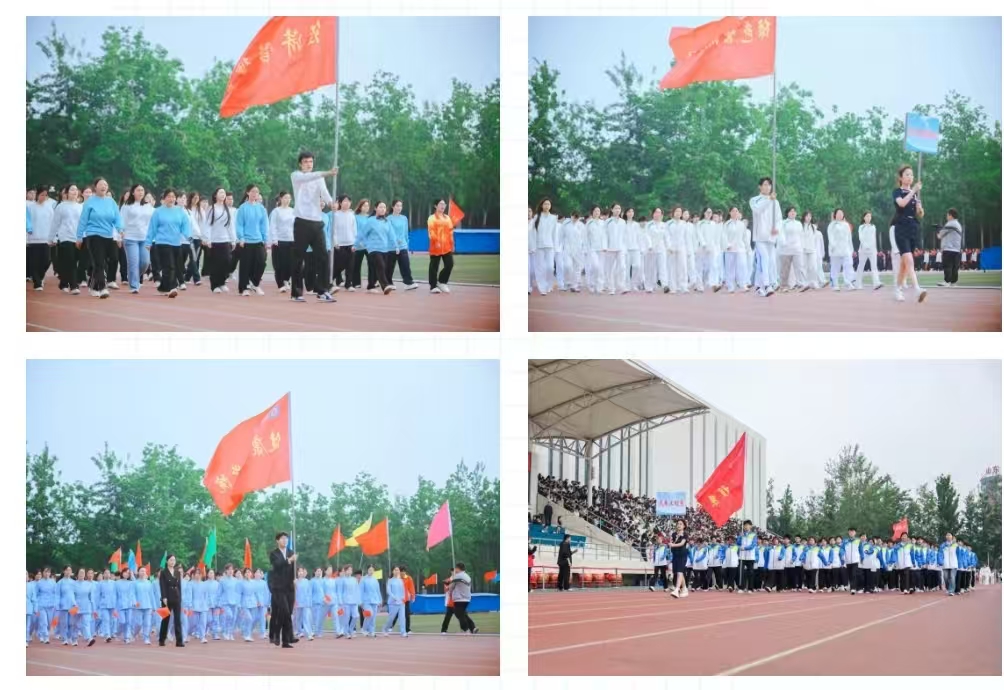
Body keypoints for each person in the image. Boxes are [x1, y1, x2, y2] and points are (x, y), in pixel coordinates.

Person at [290, 151, 338, 302]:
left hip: (317, 222)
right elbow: (309, 177)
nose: (308, 164)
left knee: (323, 256)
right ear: (300, 164)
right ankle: (296, 293)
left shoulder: (319, 178)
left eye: (311, 161)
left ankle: (322, 290)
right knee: (298, 258)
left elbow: (325, 193)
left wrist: (331, 203)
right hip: (302, 222)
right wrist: (328, 173)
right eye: (305, 162)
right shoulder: (296, 176)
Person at [144, 189, 192, 298]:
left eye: (173, 196)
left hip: (176, 243)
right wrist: (148, 241)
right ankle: (172, 287)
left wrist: (188, 237)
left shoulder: (180, 212)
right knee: (169, 265)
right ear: (164, 198)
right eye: (169, 196)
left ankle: (163, 287)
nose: (171, 199)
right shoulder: (158, 211)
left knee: (172, 266)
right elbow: (152, 228)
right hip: (162, 242)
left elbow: (185, 226)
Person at [892, 165, 928, 303]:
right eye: (907, 174)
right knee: (909, 260)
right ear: (901, 178)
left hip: (912, 228)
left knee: (904, 264)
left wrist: (920, 209)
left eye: (911, 175)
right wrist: (913, 190)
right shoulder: (897, 192)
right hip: (901, 227)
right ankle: (917, 289)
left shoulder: (915, 195)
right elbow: (901, 204)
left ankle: (897, 289)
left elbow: (920, 214)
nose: (910, 177)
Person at [749, 177, 781, 297]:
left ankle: (758, 285)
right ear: (760, 186)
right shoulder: (754, 200)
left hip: (771, 237)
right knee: (765, 259)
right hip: (760, 236)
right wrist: (769, 200)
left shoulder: (775, 202)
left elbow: (778, 219)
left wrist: (776, 229)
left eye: (769, 185)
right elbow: (758, 210)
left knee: (769, 261)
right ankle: (767, 285)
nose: (768, 187)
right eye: (765, 184)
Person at [119, 184, 154, 294]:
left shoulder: (148, 206)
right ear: (133, 192)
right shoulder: (126, 206)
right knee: (133, 263)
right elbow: (121, 220)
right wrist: (120, 234)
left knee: (145, 262)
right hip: (130, 238)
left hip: (144, 238)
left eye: (142, 190)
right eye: (138, 190)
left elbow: (153, 221)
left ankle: (133, 275)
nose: (140, 192)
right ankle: (134, 285)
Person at [236, 184, 268, 297]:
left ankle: (255, 283)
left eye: (257, 192)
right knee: (245, 265)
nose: (255, 194)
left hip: (258, 240)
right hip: (246, 241)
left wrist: (265, 239)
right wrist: (241, 238)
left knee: (262, 262)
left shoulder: (261, 208)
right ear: (248, 193)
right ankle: (244, 288)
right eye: (253, 191)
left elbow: (264, 225)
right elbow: (239, 224)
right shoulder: (242, 208)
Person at [268, 532, 297, 648]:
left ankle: (285, 641)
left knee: (288, 612)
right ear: (277, 540)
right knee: (284, 611)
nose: (285, 540)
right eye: (282, 539)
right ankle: (288, 635)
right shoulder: (273, 553)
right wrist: (289, 560)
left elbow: (293, 569)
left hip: (289, 587)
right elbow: (277, 565)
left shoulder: (291, 552)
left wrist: (294, 579)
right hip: (278, 587)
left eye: (286, 539)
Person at [428, 198, 457, 294]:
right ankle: (433, 286)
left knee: (450, 264)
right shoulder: (432, 218)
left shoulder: (447, 218)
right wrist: (436, 241)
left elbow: (450, 232)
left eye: (444, 204)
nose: (443, 206)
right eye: (441, 204)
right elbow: (431, 231)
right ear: (435, 206)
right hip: (436, 246)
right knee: (434, 266)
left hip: (446, 246)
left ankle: (442, 282)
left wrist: (452, 244)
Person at [387, 200, 417, 289]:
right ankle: (388, 283)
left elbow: (405, 232)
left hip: (403, 246)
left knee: (405, 264)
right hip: (391, 246)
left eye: (400, 206)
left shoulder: (404, 218)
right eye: (397, 205)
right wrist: (396, 241)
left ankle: (408, 282)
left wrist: (407, 244)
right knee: (390, 266)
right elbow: (389, 232)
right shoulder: (388, 219)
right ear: (393, 207)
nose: (399, 208)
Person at [778, 206, 808, 291]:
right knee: (785, 269)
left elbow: (801, 236)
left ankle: (801, 283)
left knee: (799, 267)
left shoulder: (798, 223)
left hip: (797, 249)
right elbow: (780, 234)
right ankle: (784, 286)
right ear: (787, 213)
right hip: (786, 250)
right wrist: (783, 243)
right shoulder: (783, 223)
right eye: (791, 211)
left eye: (794, 211)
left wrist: (802, 246)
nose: (793, 213)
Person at [157, 555, 183, 647]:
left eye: (174, 560)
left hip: (176, 597)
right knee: (165, 619)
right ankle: (161, 639)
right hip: (167, 598)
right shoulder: (163, 572)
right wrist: (164, 597)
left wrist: (180, 597)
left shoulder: (177, 572)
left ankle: (179, 641)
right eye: (171, 560)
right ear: (167, 561)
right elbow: (162, 585)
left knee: (177, 619)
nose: (173, 562)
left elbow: (179, 586)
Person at [827, 209, 855, 291]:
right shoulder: (832, 225)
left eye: (841, 213)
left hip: (845, 249)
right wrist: (833, 246)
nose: (840, 215)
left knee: (848, 265)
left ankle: (848, 283)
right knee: (835, 267)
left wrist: (851, 248)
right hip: (835, 250)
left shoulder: (846, 225)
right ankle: (835, 284)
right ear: (835, 215)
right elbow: (830, 237)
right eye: (838, 213)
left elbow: (849, 237)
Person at [448, 562, 478, 634]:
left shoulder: (457, 576)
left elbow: (451, 587)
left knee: (458, 614)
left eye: (455, 568)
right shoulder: (467, 576)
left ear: (458, 568)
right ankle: (473, 628)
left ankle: (465, 629)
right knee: (463, 614)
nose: (455, 570)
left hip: (459, 599)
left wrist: (450, 591)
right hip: (467, 598)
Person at [856, 211, 882, 290]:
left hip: (872, 250)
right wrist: (865, 246)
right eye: (867, 216)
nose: (868, 218)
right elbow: (861, 238)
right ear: (864, 217)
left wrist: (875, 249)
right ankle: (858, 283)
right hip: (863, 250)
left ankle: (876, 283)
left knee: (874, 266)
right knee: (861, 266)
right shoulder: (861, 227)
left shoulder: (873, 227)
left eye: (870, 216)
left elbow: (873, 238)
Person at [937, 209, 963, 286]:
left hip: (948, 248)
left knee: (947, 266)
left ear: (951, 215)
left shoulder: (950, 223)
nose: (947, 217)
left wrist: (938, 230)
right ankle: (953, 282)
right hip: (957, 249)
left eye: (947, 215)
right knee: (955, 267)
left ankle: (947, 281)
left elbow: (940, 235)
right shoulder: (958, 224)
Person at [384, 566, 408, 637]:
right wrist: (394, 597)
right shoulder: (390, 580)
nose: (397, 571)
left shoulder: (401, 580)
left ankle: (403, 632)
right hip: (393, 602)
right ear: (392, 571)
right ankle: (385, 629)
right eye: (395, 570)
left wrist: (403, 598)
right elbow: (388, 591)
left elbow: (403, 591)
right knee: (391, 618)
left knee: (402, 618)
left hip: (401, 602)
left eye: (398, 570)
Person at [668, 519, 689, 598]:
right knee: (678, 572)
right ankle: (684, 588)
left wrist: (673, 545)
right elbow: (672, 543)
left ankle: (677, 589)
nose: (679, 525)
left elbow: (682, 543)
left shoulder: (685, 534)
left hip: (682, 555)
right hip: (675, 555)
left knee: (680, 572)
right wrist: (671, 543)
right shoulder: (674, 534)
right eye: (678, 524)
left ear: (684, 526)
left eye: (681, 524)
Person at [360, 566, 382, 638]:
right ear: (367, 570)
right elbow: (361, 591)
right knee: (370, 614)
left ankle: (372, 631)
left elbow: (378, 591)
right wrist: (360, 601)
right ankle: (364, 629)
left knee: (373, 617)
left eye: (372, 570)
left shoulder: (375, 579)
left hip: (375, 600)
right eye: (370, 570)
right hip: (366, 601)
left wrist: (380, 600)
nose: (371, 571)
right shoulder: (363, 579)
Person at [738, 519, 757, 593]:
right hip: (742, 556)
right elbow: (738, 543)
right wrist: (739, 537)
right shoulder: (742, 534)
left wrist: (745, 548)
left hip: (750, 556)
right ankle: (741, 588)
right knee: (741, 572)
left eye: (747, 525)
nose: (745, 526)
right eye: (744, 525)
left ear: (750, 526)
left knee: (750, 573)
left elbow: (753, 545)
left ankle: (750, 588)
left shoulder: (753, 535)